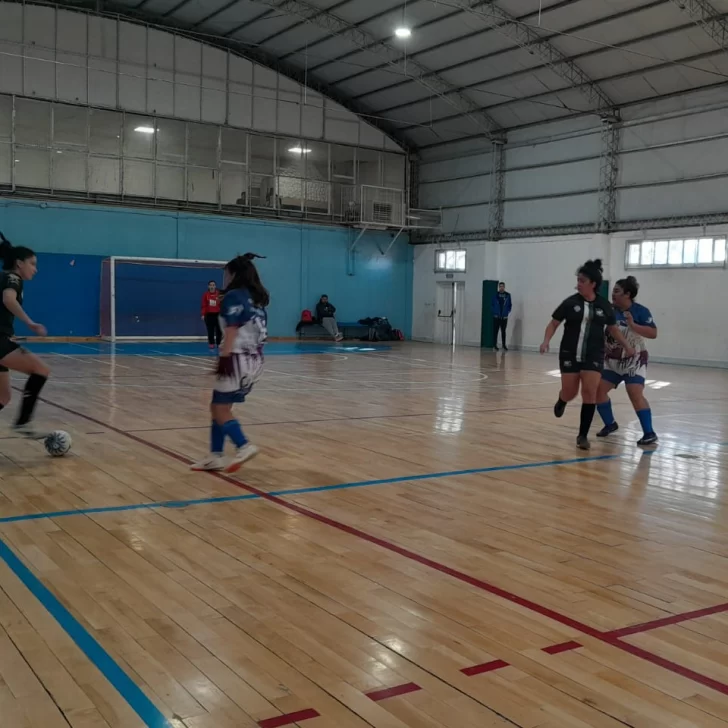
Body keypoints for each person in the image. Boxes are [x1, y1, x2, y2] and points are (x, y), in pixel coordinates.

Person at [539, 259, 634, 450]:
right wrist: (546, 340)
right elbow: (553, 324)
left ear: (593, 284)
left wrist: (627, 346)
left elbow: (614, 330)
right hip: (569, 353)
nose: (578, 283)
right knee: (571, 392)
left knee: (589, 392)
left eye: (582, 280)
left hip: (594, 355)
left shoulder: (604, 305)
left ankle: (582, 436)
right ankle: (562, 399)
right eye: (578, 280)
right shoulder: (570, 302)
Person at [191, 253, 268, 473]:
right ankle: (215, 455)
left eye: (226, 273)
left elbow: (232, 330)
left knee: (219, 407)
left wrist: (224, 358)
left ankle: (243, 445)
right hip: (255, 361)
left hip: (236, 358)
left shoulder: (234, 297)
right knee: (219, 406)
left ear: (233, 274)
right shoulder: (257, 301)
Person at [596, 276, 658, 446]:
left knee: (634, 392)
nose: (613, 294)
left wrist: (633, 326)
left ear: (627, 294)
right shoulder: (608, 310)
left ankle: (649, 433)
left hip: (634, 359)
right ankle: (610, 424)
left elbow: (653, 334)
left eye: (616, 291)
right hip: (613, 360)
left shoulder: (640, 311)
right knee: (598, 391)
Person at [0, 233, 50, 438]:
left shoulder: (6, 277)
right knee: (41, 369)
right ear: (19, 263)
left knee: (3, 397)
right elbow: (8, 299)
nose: (35, 269)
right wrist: (30, 323)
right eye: (32, 264)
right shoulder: (13, 278)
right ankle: (23, 423)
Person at [201, 280, 222, 350]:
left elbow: (222, 304)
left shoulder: (219, 294)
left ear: (215, 286)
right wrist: (203, 314)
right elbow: (204, 305)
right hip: (209, 315)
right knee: (210, 330)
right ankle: (211, 343)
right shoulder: (205, 295)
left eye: (213, 285)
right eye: (211, 285)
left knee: (219, 330)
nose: (212, 286)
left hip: (218, 315)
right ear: (208, 286)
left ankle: (219, 343)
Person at [491, 282, 512, 351]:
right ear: (498, 287)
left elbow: (510, 305)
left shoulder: (508, 295)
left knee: (503, 331)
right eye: (500, 286)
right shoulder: (495, 295)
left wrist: (507, 312)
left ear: (504, 287)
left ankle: (503, 345)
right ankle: (494, 345)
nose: (501, 287)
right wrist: (494, 312)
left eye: (502, 286)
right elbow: (492, 305)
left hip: (504, 318)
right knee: (495, 331)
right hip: (496, 317)